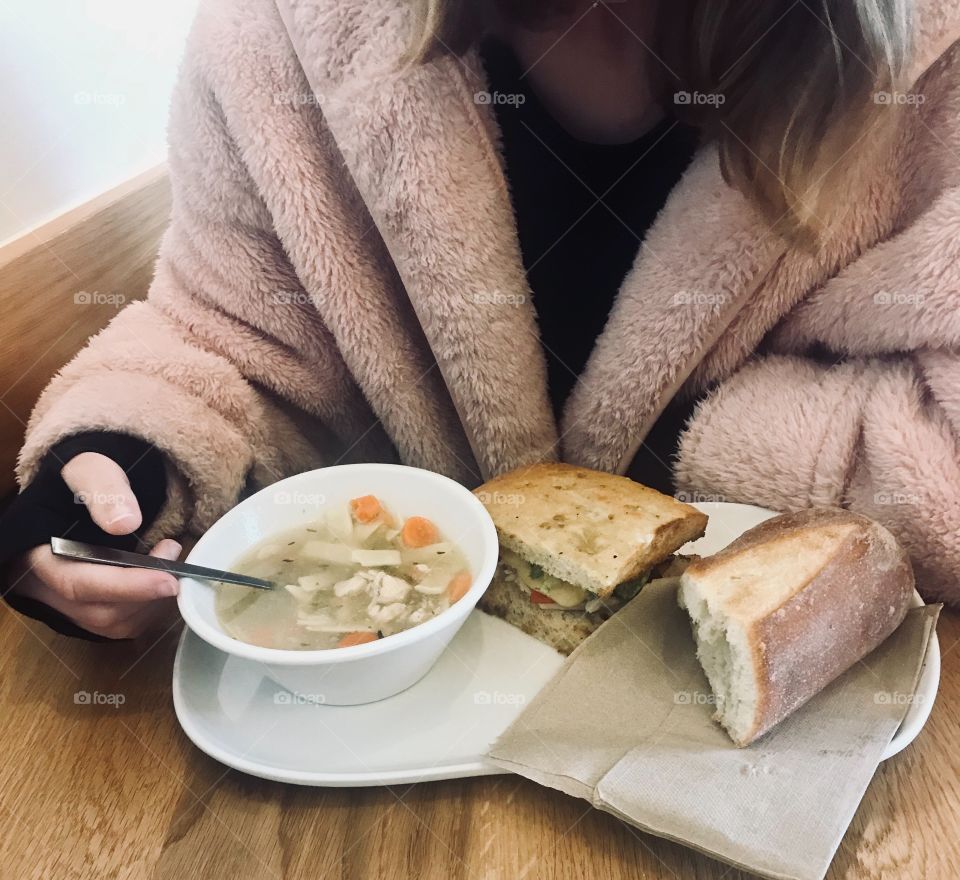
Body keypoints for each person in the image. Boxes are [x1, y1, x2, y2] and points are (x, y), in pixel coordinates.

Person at [3, 0, 958, 639]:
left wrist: (659, 472)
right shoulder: (271, 37)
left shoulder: (932, 56)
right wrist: (126, 468)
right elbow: (229, 341)